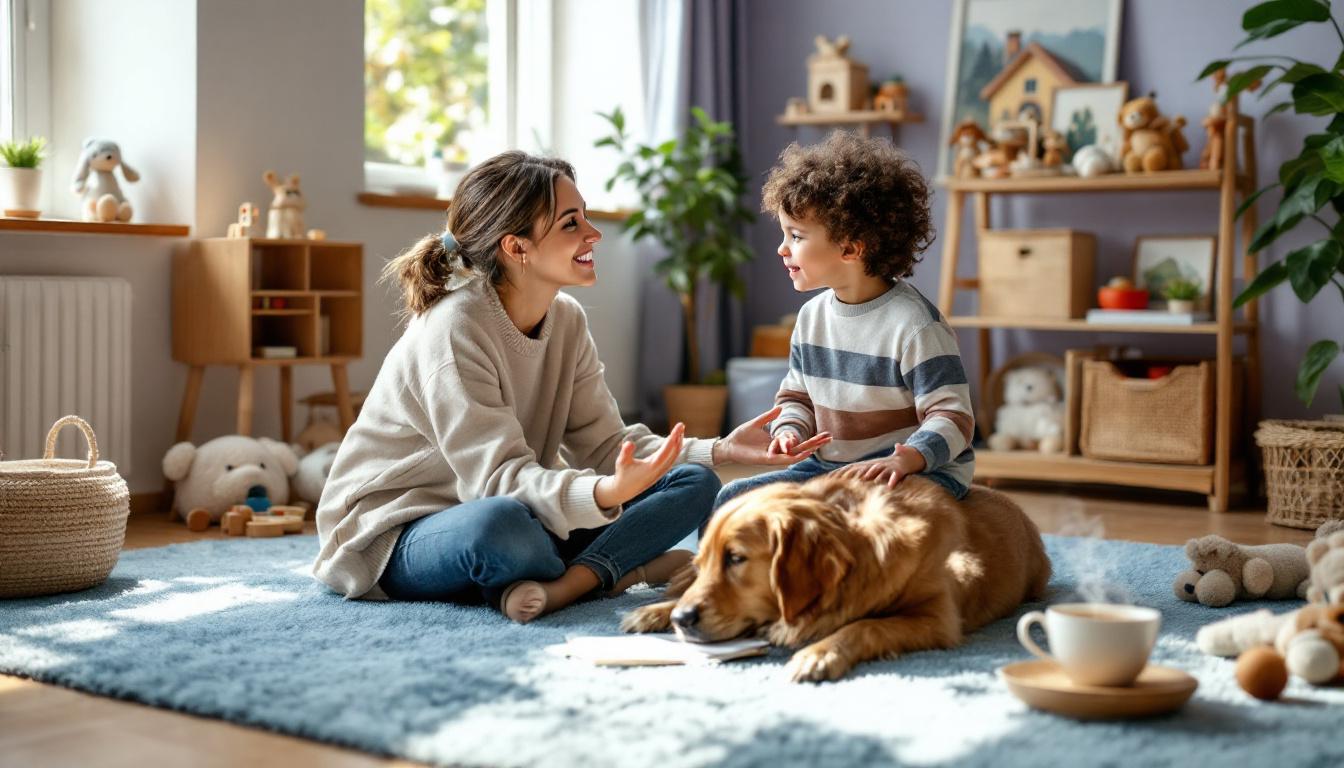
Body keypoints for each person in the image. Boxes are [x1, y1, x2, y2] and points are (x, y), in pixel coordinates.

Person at [312, 150, 827, 623]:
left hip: (514, 502)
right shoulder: (454, 328)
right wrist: (605, 493)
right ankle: (614, 571)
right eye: (571, 223)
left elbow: (605, 444)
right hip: (398, 531)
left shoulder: (567, 319)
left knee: (694, 485)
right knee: (503, 529)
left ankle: (570, 581)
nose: (593, 234)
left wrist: (720, 448)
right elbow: (496, 482)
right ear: (516, 248)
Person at [715, 131, 975, 509]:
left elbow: (953, 415)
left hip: (910, 474)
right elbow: (796, 397)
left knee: (880, 519)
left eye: (796, 236)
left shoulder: (916, 326)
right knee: (733, 499)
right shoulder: (810, 318)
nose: (781, 248)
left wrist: (910, 458)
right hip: (828, 470)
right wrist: (789, 431)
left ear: (851, 248)